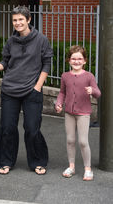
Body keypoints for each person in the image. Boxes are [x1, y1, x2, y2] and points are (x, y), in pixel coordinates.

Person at [0, 6, 53, 175]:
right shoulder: (11, 41)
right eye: (15, 20)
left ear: (28, 20)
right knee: (7, 127)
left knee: (32, 128)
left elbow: (47, 64)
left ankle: (37, 161)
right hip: (9, 90)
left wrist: (37, 87)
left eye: (21, 19)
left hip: (32, 91)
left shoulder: (41, 40)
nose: (18, 23)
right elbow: (5, 62)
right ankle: (5, 161)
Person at [55, 45, 101, 181]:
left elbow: (98, 93)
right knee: (70, 140)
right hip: (69, 113)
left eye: (79, 59)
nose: (76, 61)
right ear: (69, 60)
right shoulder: (65, 76)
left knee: (82, 141)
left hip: (83, 113)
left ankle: (88, 169)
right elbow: (62, 92)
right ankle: (71, 166)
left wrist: (92, 91)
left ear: (85, 61)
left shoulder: (89, 76)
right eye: (73, 59)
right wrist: (59, 103)